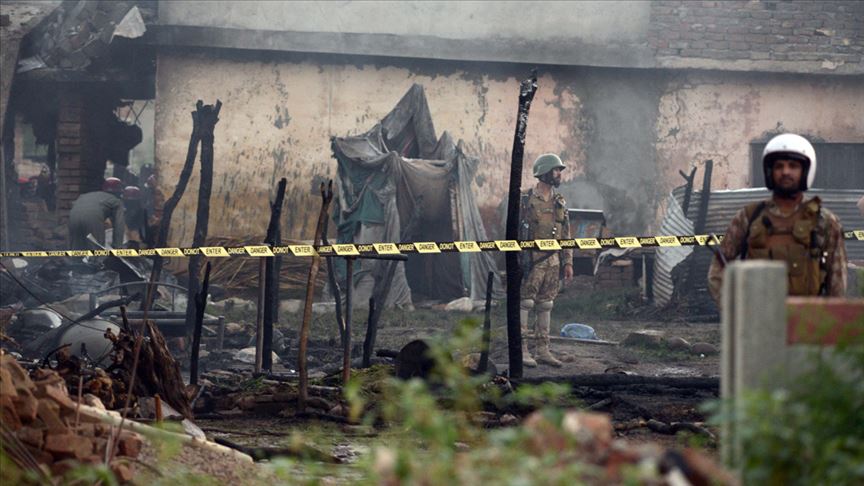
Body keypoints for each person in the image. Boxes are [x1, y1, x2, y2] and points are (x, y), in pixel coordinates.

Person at [708, 133, 847, 302]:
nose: (785, 172)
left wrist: (826, 317)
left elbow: (837, 282)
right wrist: (737, 309)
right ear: (770, 172)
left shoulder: (824, 221)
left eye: (793, 166)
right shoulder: (749, 217)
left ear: (805, 171)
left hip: (806, 316)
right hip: (756, 316)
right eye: (779, 166)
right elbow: (717, 272)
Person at [519, 153, 574, 367]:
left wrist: (568, 262)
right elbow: (515, 232)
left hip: (553, 261)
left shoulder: (560, 201)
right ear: (544, 172)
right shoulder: (526, 200)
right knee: (526, 302)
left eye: (559, 170)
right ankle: (522, 349)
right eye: (556, 170)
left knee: (546, 304)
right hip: (531, 259)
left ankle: (542, 350)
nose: (559, 174)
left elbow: (566, 233)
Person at [68, 178, 126, 250]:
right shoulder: (116, 201)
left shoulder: (89, 195)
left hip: (73, 215)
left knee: (76, 249)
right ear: (119, 192)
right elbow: (119, 225)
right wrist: (117, 247)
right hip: (92, 217)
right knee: (97, 250)